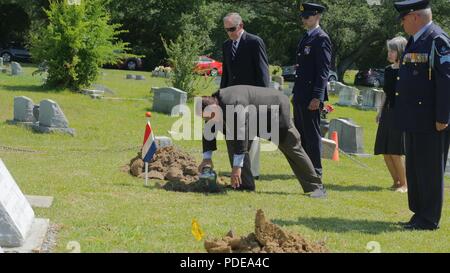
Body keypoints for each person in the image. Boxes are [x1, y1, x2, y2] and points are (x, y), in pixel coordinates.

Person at [197, 85, 327, 198]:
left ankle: (316, 188)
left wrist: (236, 167)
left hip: (275, 112)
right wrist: (207, 158)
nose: (211, 121)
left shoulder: (234, 104)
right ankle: (244, 184)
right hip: (252, 117)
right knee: (232, 140)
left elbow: (241, 134)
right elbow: (210, 128)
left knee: (292, 148)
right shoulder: (214, 104)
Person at [394, 0, 450, 230]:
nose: (402, 22)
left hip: (431, 119)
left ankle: (429, 218)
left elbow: (446, 81)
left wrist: (443, 117)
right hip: (414, 116)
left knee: (429, 169)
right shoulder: (415, 41)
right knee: (415, 168)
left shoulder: (437, 40)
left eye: (404, 18)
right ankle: (418, 213)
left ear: (415, 17)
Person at [220, 12, 271, 180]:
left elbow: (263, 73)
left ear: (241, 25)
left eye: (232, 29)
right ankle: (238, 171)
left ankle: (252, 172)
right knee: (234, 136)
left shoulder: (254, 42)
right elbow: (226, 74)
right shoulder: (227, 45)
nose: (230, 33)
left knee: (250, 136)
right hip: (232, 98)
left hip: (251, 98)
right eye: (226, 30)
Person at [292, 3, 332, 177]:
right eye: (303, 17)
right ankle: (305, 167)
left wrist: (317, 96)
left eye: (307, 17)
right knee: (301, 133)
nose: (304, 19)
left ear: (317, 17)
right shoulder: (306, 37)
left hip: (311, 95)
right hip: (301, 93)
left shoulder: (321, 38)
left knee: (312, 134)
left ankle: (315, 170)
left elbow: (323, 70)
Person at [374, 36, 408, 193]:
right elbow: (385, 93)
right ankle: (396, 182)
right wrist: (379, 111)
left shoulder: (408, 70)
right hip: (387, 111)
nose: (389, 53)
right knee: (385, 151)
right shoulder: (388, 70)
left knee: (395, 151)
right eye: (388, 50)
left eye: (392, 51)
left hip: (401, 113)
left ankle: (405, 184)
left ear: (400, 51)